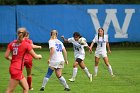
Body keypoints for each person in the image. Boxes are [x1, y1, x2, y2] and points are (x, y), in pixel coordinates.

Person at [5, 27, 42, 93]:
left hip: (13, 68)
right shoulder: (26, 45)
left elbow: (6, 56)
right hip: (17, 69)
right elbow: (35, 56)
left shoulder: (11, 43)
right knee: (9, 90)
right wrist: (39, 56)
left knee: (26, 88)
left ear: (17, 33)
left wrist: (13, 60)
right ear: (25, 35)